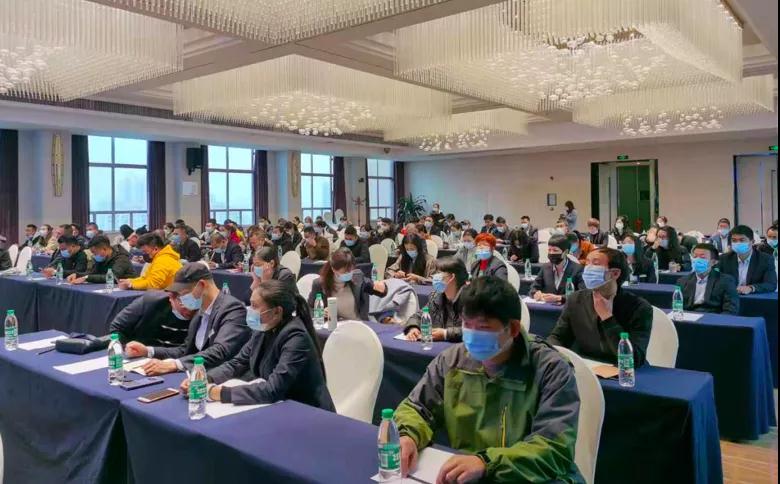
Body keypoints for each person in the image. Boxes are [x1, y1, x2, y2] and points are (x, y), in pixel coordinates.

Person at [394, 276, 582, 483]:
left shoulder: (550, 369)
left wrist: (487, 463)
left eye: (483, 327)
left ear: (513, 329)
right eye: (467, 324)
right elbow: (418, 408)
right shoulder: (452, 361)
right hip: (468, 475)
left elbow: (554, 448)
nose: (472, 335)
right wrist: (407, 435)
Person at [183, 280, 334, 410]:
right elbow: (237, 363)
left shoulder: (296, 337)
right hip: (279, 406)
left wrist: (217, 393)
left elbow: (273, 389)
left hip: (307, 411)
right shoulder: (263, 328)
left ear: (277, 311)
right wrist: (205, 379)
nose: (250, 310)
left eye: (255, 306)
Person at [125, 264, 251, 375]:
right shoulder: (200, 312)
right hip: (196, 375)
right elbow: (185, 350)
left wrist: (175, 364)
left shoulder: (233, 309)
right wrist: (148, 351)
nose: (182, 299)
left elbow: (220, 351)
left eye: (184, 293)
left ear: (201, 285)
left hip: (221, 379)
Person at [547, 248, 653, 367]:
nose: (588, 268)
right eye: (587, 263)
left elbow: (634, 358)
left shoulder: (639, 307)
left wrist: (607, 318)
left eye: (595, 264)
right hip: (586, 366)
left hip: (622, 370)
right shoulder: (576, 299)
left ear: (615, 273)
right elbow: (557, 337)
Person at [308, 249, 387, 321]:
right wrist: (320, 312)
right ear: (333, 269)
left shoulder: (357, 276)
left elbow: (380, 292)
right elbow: (309, 309)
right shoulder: (319, 284)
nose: (348, 274)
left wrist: (383, 288)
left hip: (359, 324)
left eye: (350, 271)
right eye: (344, 272)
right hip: (334, 326)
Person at [404, 258, 468, 342]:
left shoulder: (472, 300)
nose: (435, 277)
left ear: (452, 277)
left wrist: (446, 334)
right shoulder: (436, 296)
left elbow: (477, 330)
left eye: (439, 273)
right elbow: (418, 316)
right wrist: (413, 327)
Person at [109, 291, 193, 347]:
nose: (190, 309)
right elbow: (117, 327)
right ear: (171, 297)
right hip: (142, 355)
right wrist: (124, 348)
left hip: (182, 362)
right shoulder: (150, 301)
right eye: (184, 302)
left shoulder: (199, 312)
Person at [679, 244, 739, 314]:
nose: (697, 260)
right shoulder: (682, 281)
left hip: (713, 316)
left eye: (702, 257)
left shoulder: (726, 281)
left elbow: (731, 309)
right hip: (689, 316)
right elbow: (677, 305)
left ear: (713, 262)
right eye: (695, 257)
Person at [718, 224, 777, 294]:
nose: (738, 243)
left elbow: (771, 284)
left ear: (752, 242)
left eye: (742, 240)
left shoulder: (765, 259)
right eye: (734, 240)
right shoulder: (724, 259)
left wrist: (751, 288)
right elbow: (715, 280)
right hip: (730, 297)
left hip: (754, 298)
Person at [117, 233, 182, 291]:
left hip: (175, 295)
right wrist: (130, 281)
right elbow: (146, 278)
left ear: (155, 249)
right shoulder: (159, 258)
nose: (144, 254)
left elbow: (154, 285)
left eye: (145, 251)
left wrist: (131, 285)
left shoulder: (162, 260)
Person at [529, 234, 583, 303]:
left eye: (555, 250)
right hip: (547, 307)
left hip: (568, 308)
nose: (551, 253)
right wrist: (536, 293)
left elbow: (582, 294)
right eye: (549, 250)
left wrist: (560, 298)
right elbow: (533, 288)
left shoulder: (578, 269)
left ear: (565, 252)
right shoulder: (545, 267)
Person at [66, 235, 135, 284]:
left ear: (104, 249)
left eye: (94, 252)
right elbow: (92, 272)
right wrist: (78, 275)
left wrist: (87, 278)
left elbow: (112, 277)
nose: (93, 255)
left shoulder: (121, 258)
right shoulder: (102, 258)